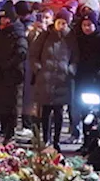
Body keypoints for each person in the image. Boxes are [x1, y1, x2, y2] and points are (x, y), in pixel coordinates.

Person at [29, 15, 77, 150]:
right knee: (45, 111)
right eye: (59, 22)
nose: (62, 25)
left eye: (64, 23)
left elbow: (75, 56)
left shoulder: (70, 38)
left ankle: (56, 141)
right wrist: (38, 68)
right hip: (45, 79)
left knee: (59, 112)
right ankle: (46, 139)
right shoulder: (45, 36)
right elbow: (33, 54)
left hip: (62, 80)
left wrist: (71, 69)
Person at [0, 9, 29, 138]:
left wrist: (7, 65)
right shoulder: (1, 33)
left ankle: (8, 131)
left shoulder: (18, 34)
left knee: (10, 105)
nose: (2, 20)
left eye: (5, 18)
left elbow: (21, 53)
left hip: (12, 76)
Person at [73, 14, 100, 127]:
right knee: (83, 109)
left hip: (97, 80)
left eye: (89, 25)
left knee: (96, 110)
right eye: (84, 25)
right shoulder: (78, 38)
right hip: (82, 79)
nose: (86, 28)